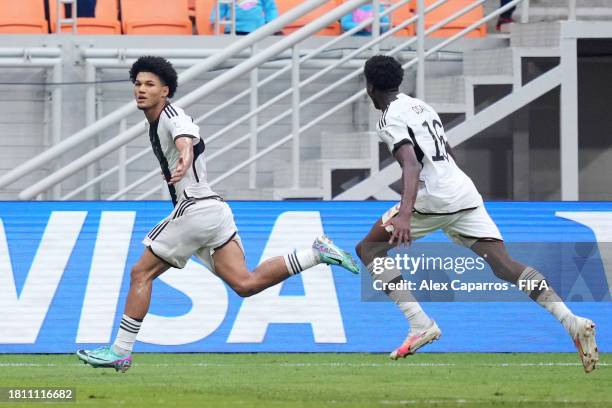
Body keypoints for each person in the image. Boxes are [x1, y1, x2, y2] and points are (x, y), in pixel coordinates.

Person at [76, 56, 359, 372]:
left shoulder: (172, 114)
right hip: (215, 211)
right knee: (245, 284)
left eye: (149, 85)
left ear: (165, 90)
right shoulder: (155, 120)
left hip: (195, 209)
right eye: (138, 84)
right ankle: (315, 254)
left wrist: (184, 154)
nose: (141, 90)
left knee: (141, 274)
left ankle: (121, 351)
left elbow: (186, 135)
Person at [356, 55, 599, 373]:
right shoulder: (421, 106)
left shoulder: (388, 118)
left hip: (435, 197)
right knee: (504, 265)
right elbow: (446, 151)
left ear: (370, 87)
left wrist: (404, 214)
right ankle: (571, 321)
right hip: (462, 190)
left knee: (369, 249)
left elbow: (412, 165)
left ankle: (420, 324)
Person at [210, 0, 278, 35]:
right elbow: (220, 6)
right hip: (233, 29)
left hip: (256, 28)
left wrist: (271, 21)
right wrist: (214, 20)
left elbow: (270, 8)